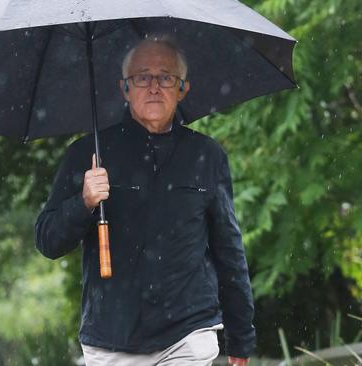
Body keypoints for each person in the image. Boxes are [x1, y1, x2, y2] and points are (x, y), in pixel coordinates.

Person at [35, 37, 255, 366]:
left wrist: (241, 336)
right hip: (111, 340)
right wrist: (84, 202)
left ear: (183, 89)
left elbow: (228, 248)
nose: (154, 87)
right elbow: (47, 239)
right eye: (142, 77)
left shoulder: (207, 156)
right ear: (125, 89)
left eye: (166, 77)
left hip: (188, 333)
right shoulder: (87, 154)